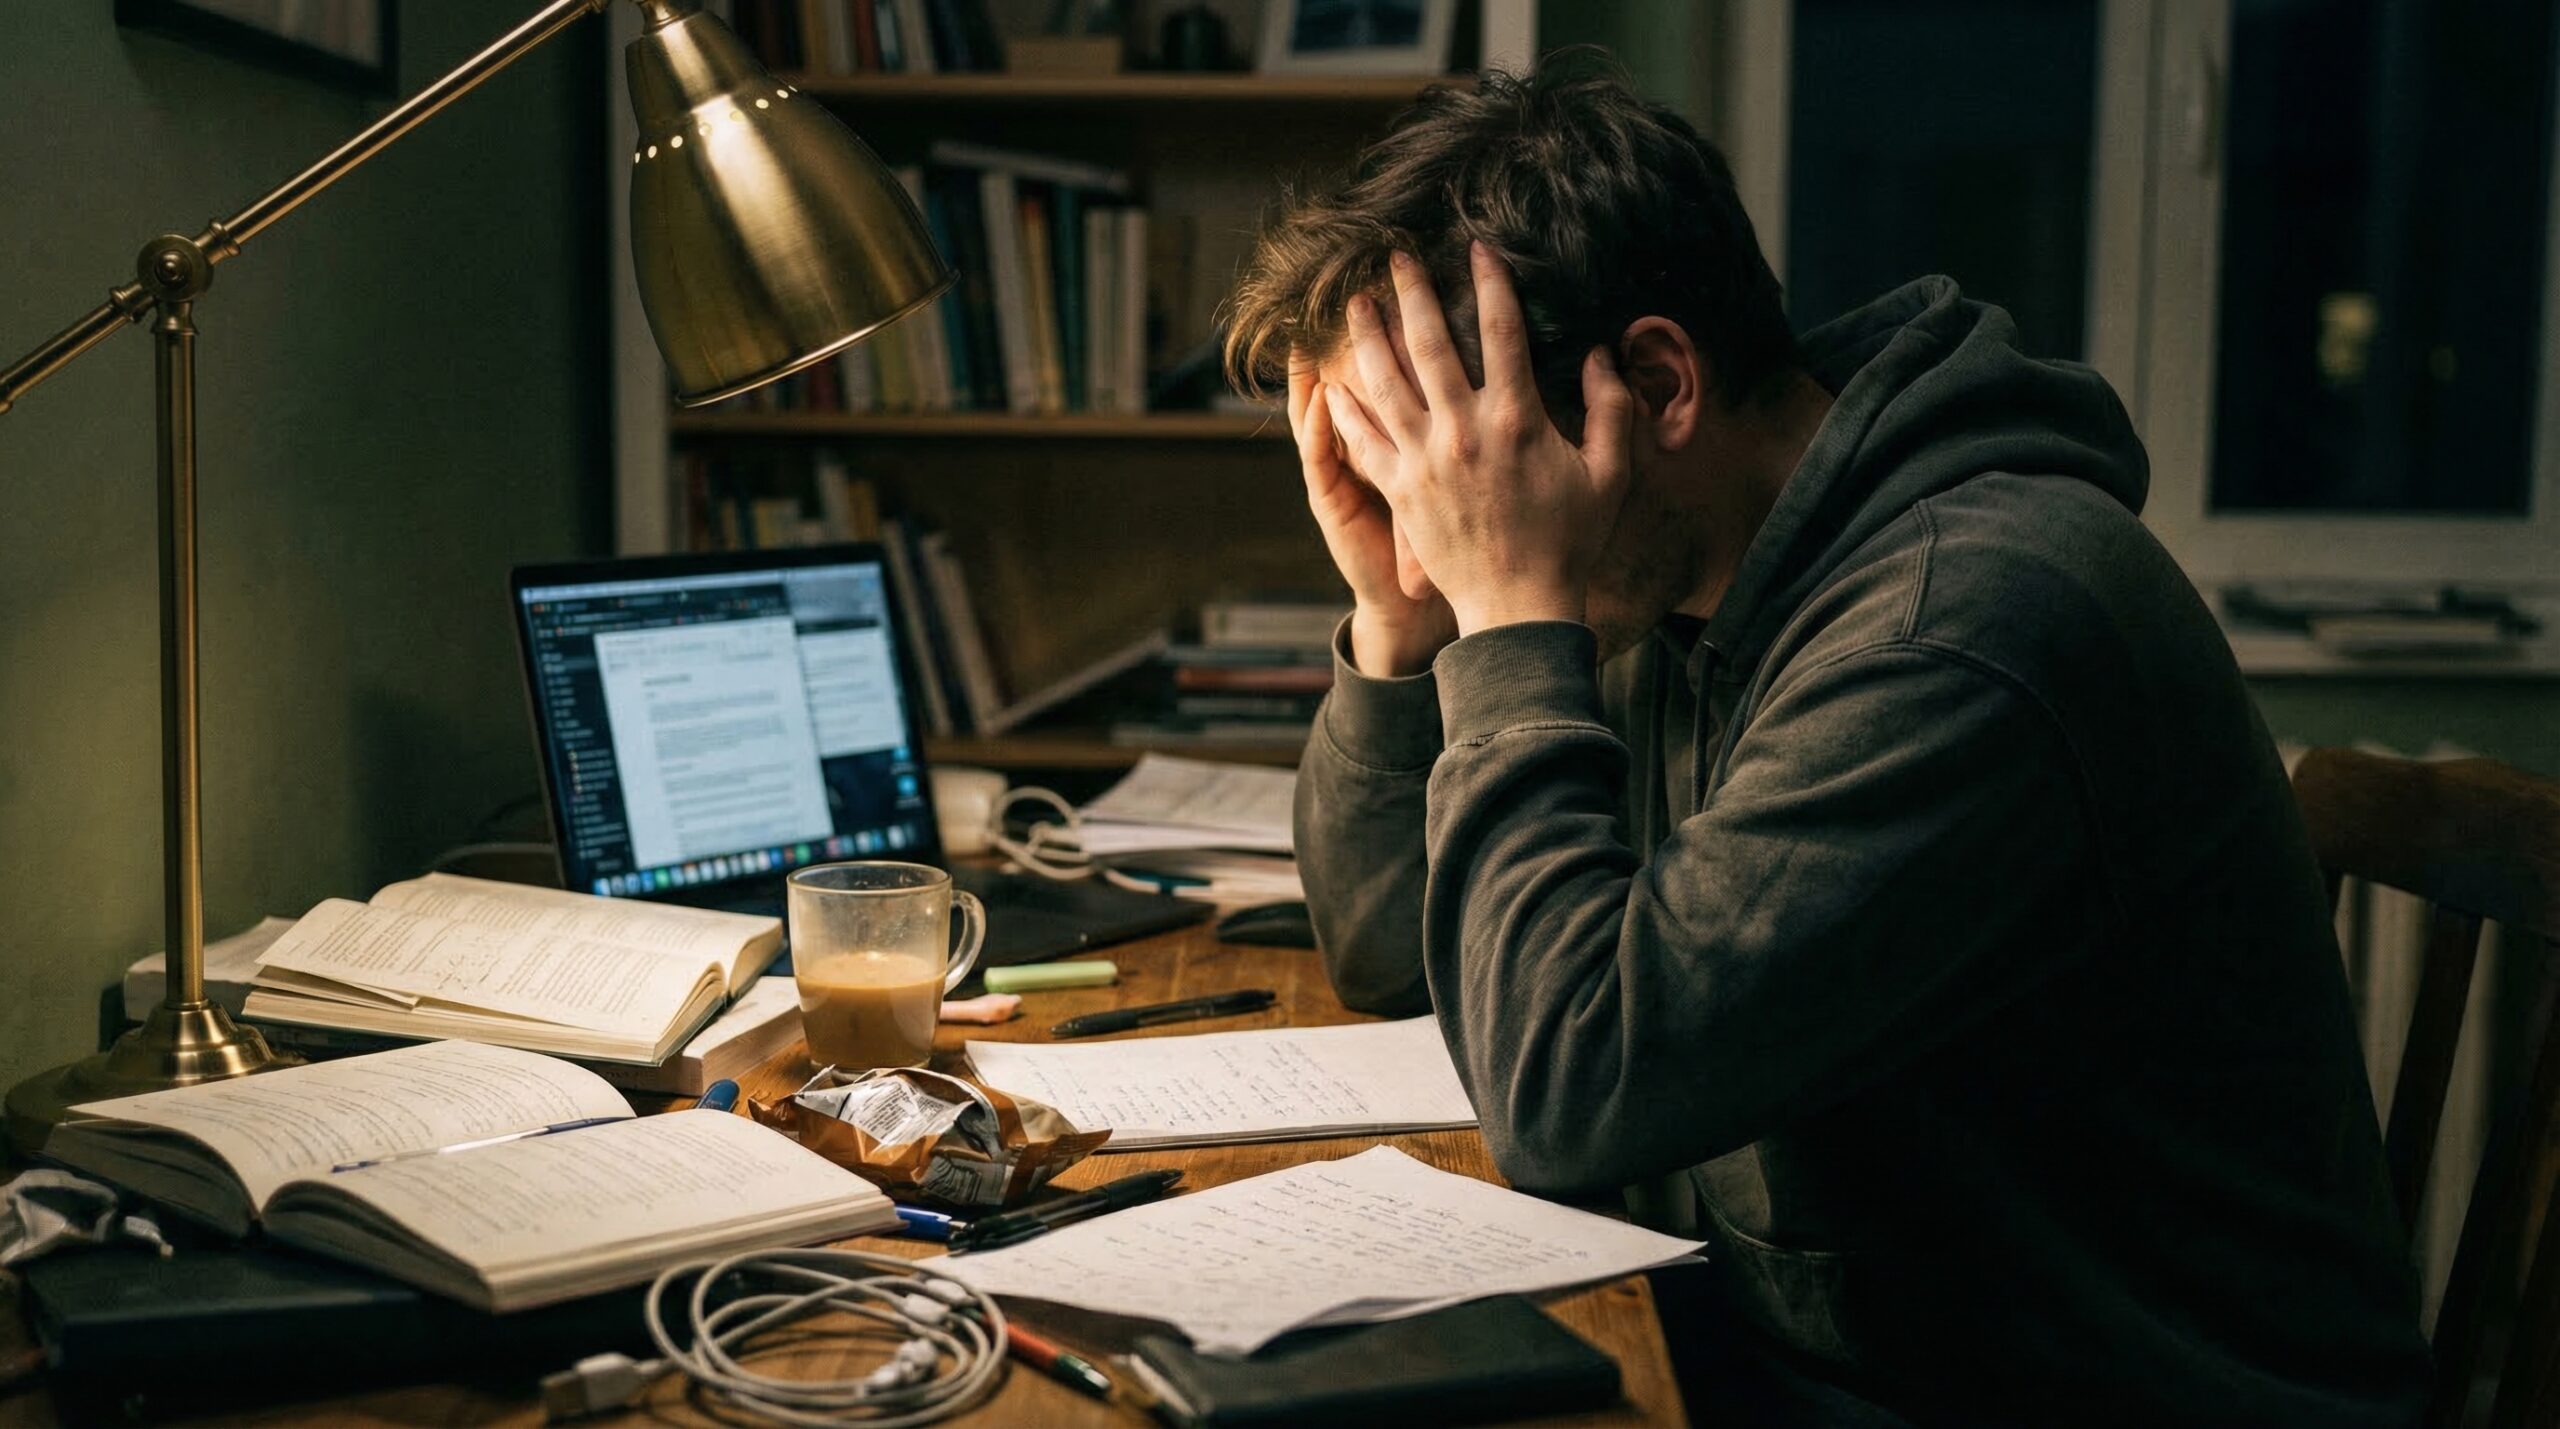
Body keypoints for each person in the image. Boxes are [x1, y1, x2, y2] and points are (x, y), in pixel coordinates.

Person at [1221, 53, 2430, 1428]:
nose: (1438, 522)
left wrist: (1505, 615)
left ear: (1659, 384)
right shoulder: (1676, 578)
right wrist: (1402, 619)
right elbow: (1394, 958)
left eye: (1455, 466)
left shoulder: (1967, 629)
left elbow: (1565, 1090)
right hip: (1843, 1355)